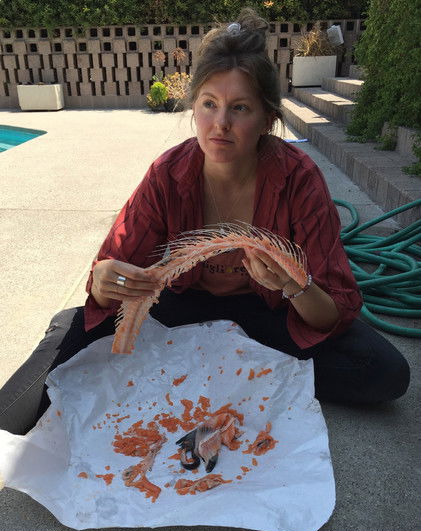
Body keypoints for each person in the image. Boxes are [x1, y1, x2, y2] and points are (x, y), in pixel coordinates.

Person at [0, 9, 410, 435]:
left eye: (240, 108)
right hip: (183, 307)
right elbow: (110, 272)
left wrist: (294, 285)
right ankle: (235, 371)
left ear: (267, 119)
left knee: (382, 370)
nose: (221, 124)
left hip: (268, 313)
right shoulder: (169, 174)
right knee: (69, 338)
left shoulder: (298, 179)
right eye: (209, 104)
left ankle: (216, 367)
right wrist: (105, 280)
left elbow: (333, 311)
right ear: (194, 107)